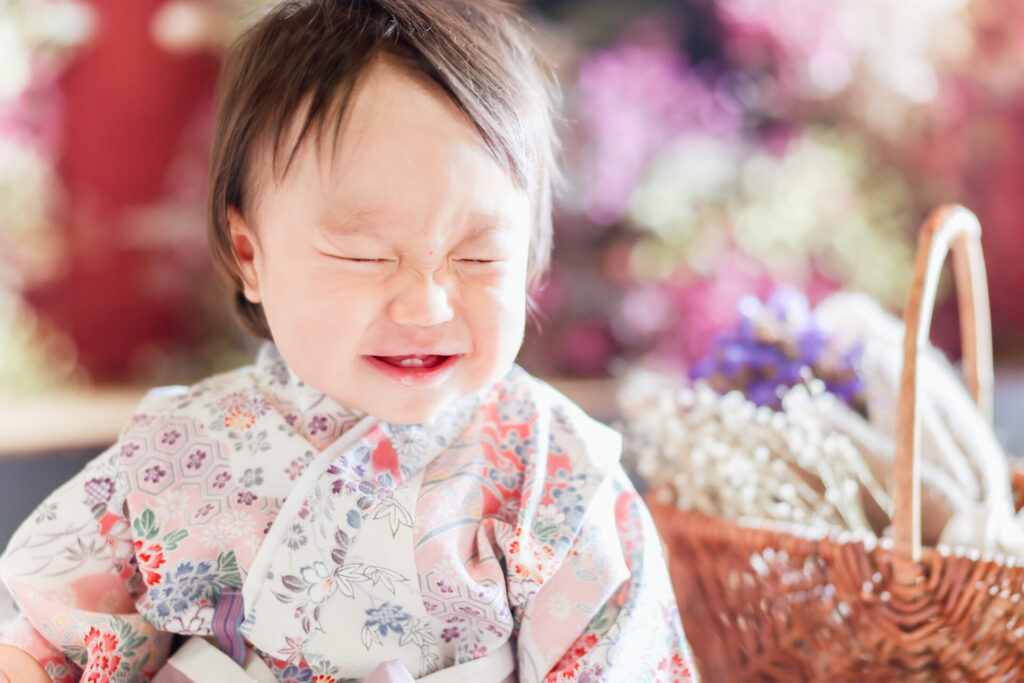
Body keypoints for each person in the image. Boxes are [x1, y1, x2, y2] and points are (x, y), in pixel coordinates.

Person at [0, 1, 695, 681]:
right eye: (363, 255)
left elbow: (621, 657)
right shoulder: (176, 448)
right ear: (250, 254)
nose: (426, 304)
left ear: (532, 261)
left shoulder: (555, 468)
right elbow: (42, 636)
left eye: (480, 256)